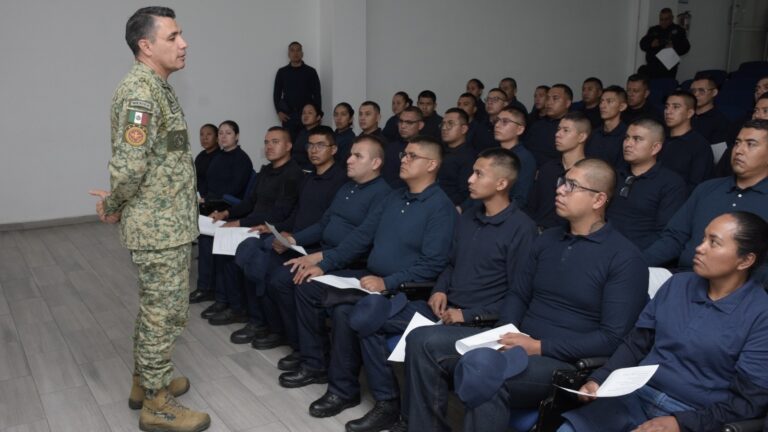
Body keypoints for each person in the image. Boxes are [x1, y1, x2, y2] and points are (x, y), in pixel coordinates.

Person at [401, 158, 649, 432]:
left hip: (561, 361)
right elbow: (518, 294)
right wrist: (502, 333)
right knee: (421, 340)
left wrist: (538, 346)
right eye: (561, 182)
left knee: (484, 369)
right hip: (517, 341)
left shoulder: (625, 258)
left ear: (598, 199)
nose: (560, 190)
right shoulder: (547, 240)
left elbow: (612, 338)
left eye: (572, 185)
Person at [350, 148, 537, 432]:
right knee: (368, 318)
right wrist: (439, 290)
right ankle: (389, 405)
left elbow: (519, 294)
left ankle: (420, 425)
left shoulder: (521, 228)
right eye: (472, 172)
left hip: (480, 322)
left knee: (422, 341)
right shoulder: (469, 216)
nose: (470, 180)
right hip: (443, 306)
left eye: (479, 174)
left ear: (501, 183)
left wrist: (470, 316)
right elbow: (450, 263)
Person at [88, 6, 210, 431]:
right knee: (165, 313)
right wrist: (113, 203)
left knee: (155, 310)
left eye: (181, 35)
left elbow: (159, 159)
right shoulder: (141, 93)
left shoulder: (158, 87)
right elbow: (129, 166)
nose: (184, 43)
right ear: (146, 45)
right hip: (158, 228)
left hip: (168, 222)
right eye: (173, 36)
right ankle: (157, 405)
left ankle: (145, 380)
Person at [278, 136, 455, 422]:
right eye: (404, 155)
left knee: (346, 311)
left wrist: (387, 283)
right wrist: (326, 264)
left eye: (412, 156)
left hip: (405, 292)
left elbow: (433, 265)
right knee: (309, 285)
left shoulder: (440, 207)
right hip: (371, 279)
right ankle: (319, 367)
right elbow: (362, 237)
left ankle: (371, 398)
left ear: (432, 165)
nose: (404, 159)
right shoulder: (395, 196)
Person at [560, 212, 768, 432]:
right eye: (703, 238)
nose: (700, 248)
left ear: (745, 260)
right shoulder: (677, 284)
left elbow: (748, 402)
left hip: (695, 414)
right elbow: (636, 344)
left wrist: (681, 423)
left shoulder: (760, 315)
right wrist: (599, 380)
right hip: (635, 395)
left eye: (714, 243)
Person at [265, 135, 392, 371]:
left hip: (353, 263)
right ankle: (301, 347)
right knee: (280, 279)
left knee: (302, 282)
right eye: (350, 154)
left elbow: (361, 241)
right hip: (329, 253)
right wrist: (293, 239)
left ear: (375, 163)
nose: (349, 160)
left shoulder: (383, 194)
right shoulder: (347, 187)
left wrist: (320, 259)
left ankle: (316, 362)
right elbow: (324, 224)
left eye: (358, 156)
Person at [230, 125, 346, 348]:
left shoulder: (340, 181)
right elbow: (296, 213)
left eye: (320, 145)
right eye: (311, 145)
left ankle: (277, 329)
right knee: (251, 250)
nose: (313, 150)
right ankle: (265, 322)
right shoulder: (309, 178)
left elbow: (326, 225)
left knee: (266, 266)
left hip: (313, 246)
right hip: (296, 240)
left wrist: (293, 238)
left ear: (333, 149)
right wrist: (281, 230)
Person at [644, 119, 768, 283]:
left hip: (744, 290)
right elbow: (674, 238)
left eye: (751, 144)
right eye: (737, 143)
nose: (739, 150)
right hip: (684, 278)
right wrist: (637, 263)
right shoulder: (707, 189)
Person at [201, 127, 304, 325]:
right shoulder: (266, 170)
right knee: (221, 245)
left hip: (271, 228)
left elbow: (277, 213)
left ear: (289, 146)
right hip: (254, 223)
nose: (269, 146)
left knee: (239, 251)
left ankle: (240, 309)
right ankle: (226, 301)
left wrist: (238, 223)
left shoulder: (293, 174)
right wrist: (227, 213)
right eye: (266, 142)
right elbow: (250, 201)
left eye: (275, 142)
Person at [192, 120, 254, 305]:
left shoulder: (242, 158)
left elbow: (235, 189)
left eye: (228, 133)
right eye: (220, 133)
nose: (223, 137)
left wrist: (209, 201)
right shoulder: (218, 156)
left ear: (237, 136)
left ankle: (217, 293)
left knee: (210, 242)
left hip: (230, 208)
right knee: (204, 242)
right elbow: (211, 184)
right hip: (212, 205)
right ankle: (205, 287)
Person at [607, 118, 688, 250]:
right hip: (601, 249)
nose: (628, 144)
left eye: (637, 139)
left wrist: (634, 261)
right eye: (626, 138)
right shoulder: (613, 175)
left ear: (655, 147)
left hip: (638, 256)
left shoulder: (671, 183)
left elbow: (666, 235)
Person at [525, 111, 589, 231]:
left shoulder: (589, 171)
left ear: (581, 137)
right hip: (538, 232)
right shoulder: (547, 168)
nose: (558, 134)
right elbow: (532, 204)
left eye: (565, 130)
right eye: (558, 129)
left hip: (569, 237)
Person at [659, 90, 714, 192]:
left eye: (676, 107)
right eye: (666, 107)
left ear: (689, 113)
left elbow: (697, 186)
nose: (668, 111)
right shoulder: (659, 139)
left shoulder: (700, 146)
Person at [273, 41, 321, 141]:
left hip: (307, 115)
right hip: (289, 116)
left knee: (309, 143)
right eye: (292, 50)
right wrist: (279, 111)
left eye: (298, 50)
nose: (295, 53)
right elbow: (276, 94)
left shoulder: (310, 71)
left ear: (302, 54)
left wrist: (318, 113)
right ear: (288, 54)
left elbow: (317, 94)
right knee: (289, 145)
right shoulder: (282, 72)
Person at [492, 106, 536, 209]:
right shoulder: (493, 154)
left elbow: (520, 199)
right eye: (497, 121)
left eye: (505, 122)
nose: (497, 125)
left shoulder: (524, 158)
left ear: (519, 129)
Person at [525, 84, 573, 167]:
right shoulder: (537, 124)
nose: (549, 103)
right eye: (547, 98)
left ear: (567, 103)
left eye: (555, 98)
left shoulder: (572, 127)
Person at [437, 108, 476, 207]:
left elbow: (466, 193)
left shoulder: (469, 157)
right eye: (443, 124)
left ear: (463, 129)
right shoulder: (439, 151)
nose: (444, 128)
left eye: (450, 124)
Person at [639, 8, 691, 79]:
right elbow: (642, 45)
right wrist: (651, 44)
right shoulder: (653, 30)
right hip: (652, 67)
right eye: (661, 19)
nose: (663, 22)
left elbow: (686, 47)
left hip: (668, 69)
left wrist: (674, 47)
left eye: (666, 19)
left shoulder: (678, 30)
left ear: (672, 18)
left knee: (666, 88)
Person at [585, 85, 629, 167]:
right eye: (601, 101)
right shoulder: (594, 134)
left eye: (609, 101)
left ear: (622, 107)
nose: (602, 106)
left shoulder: (627, 135)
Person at [383, 106, 424, 189]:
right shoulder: (390, 147)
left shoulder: (426, 149)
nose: (403, 126)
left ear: (420, 125)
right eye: (401, 121)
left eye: (409, 122)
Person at [690, 76, 730, 145]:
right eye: (693, 91)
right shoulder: (684, 115)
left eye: (701, 90)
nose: (696, 94)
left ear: (714, 92)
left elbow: (717, 154)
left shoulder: (721, 122)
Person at [292, 102, 323, 171]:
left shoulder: (320, 134)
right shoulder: (301, 132)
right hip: (295, 170)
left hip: (308, 172)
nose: (306, 116)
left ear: (318, 117)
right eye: (304, 113)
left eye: (310, 113)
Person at [194, 123, 219, 199]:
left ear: (217, 138)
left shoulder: (220, 157)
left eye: (209, 134)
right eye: (201, 135)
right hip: (196, 195)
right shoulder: (200, 155)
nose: (204, 138)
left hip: (209, 199)